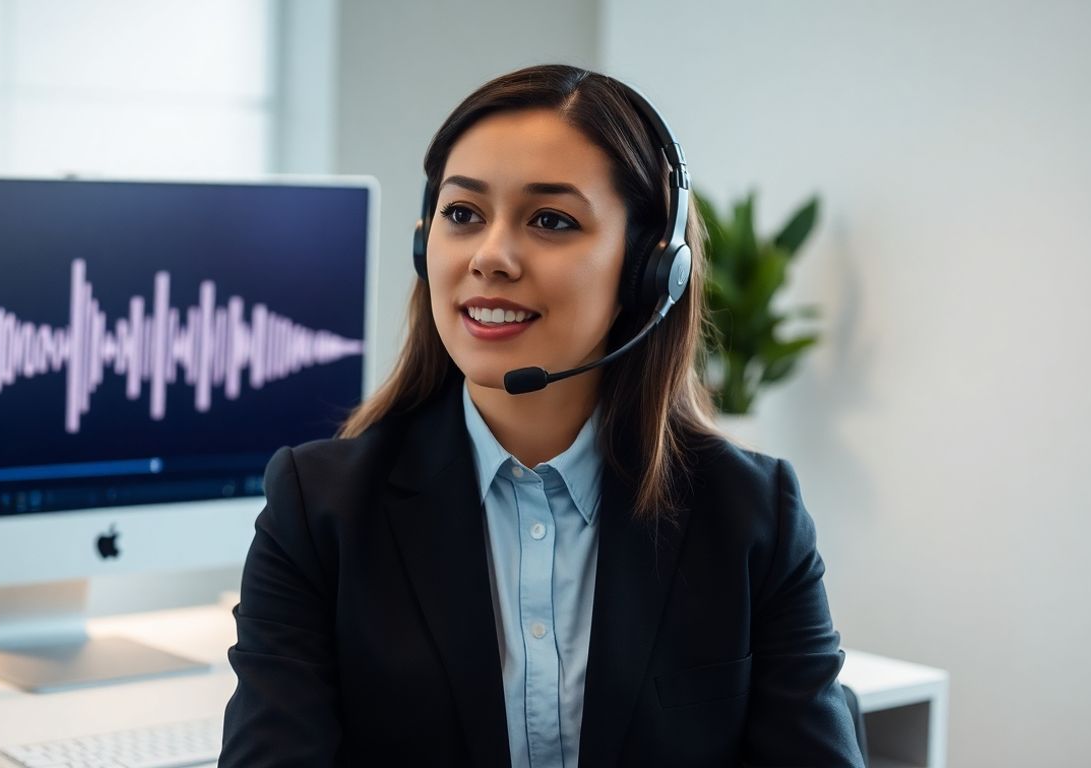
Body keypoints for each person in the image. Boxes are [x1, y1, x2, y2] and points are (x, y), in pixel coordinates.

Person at [218, 63, 865, 768]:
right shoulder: (318, 512)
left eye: (551, 220)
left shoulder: (751, 514)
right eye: (462, 214)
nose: (491, 256)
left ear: (649, 269)